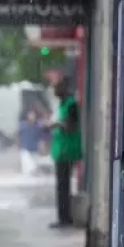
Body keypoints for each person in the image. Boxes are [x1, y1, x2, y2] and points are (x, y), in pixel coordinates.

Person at [46, 77, 82, 228]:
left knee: (63, 185)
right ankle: (62, 217)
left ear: (63, 88)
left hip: (68, 150)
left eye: (56, 88)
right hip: (61, 150)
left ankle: (65, 218)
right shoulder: (62, 104)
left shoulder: (71, 104)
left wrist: (57, 124)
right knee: (61, 186)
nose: (54, 92)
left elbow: (72, 126)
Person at [17, 109, 44, 176]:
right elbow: (18, 135)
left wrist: (41, 146)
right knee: (28, 168)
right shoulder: (23, 125)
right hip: (25, 148)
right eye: (30, 115)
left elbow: (40, 137)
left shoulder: (38, 126)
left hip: (34, 148)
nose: (32, 116)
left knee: (34, 167)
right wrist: (18, 145)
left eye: (33, 115)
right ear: (27, 116)